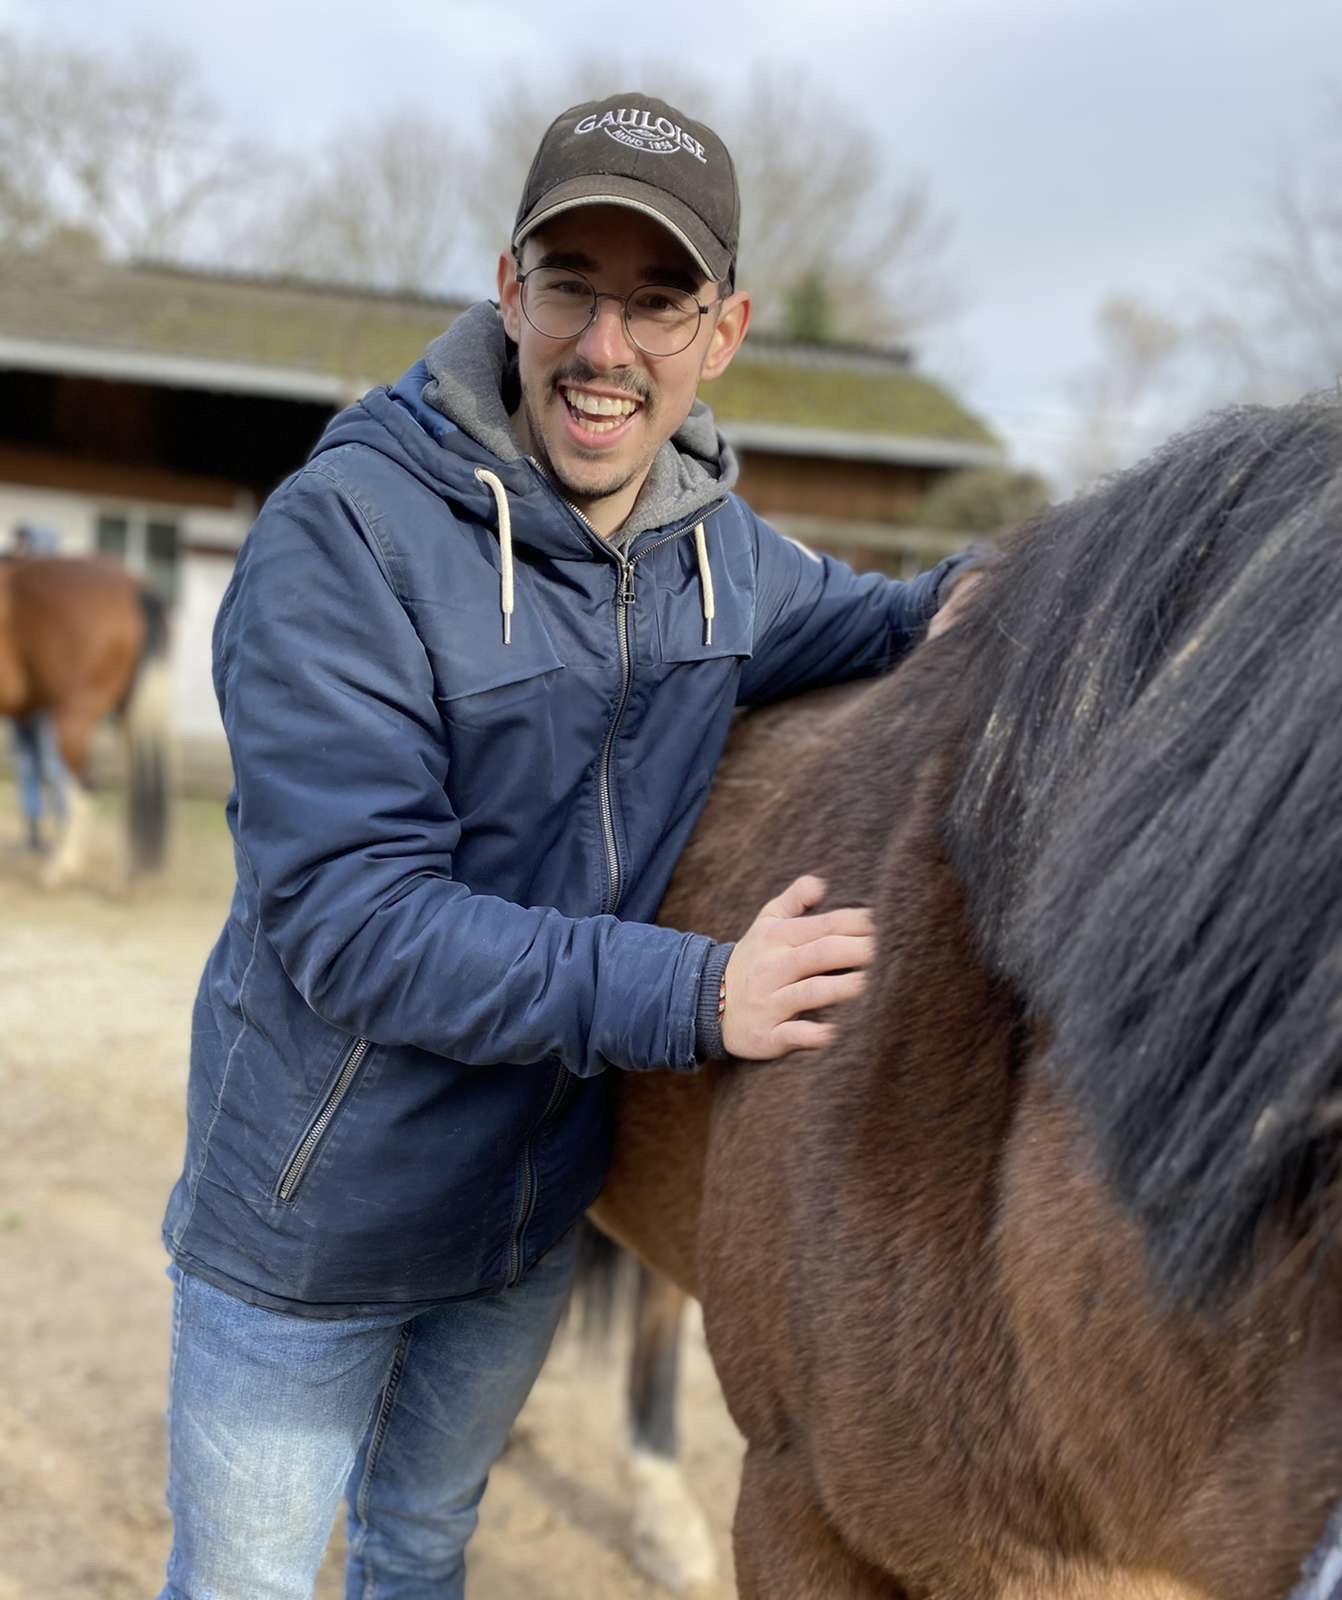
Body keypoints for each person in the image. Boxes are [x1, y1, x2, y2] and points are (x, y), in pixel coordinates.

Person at [158, 92, 982, 1599]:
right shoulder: (345, 539)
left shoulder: (706, 548)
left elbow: (867, 614)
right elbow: (358, 922)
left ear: (720, 332)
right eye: (572, 289)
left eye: (657, 301)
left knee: (419, 1547)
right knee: (249, 1586)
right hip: (318, 1214)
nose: (607, 348)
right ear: (507, 289)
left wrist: (1020, 583)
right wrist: (699, 995)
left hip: (529, 1206)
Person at [8, 524, 68, 852]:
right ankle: (34, 831)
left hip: (44, 701)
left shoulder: (53, 608)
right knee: (27, 763)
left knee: (49, 763)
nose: (18, 551)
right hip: (21, 703)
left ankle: (62, 831)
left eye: (25, 545)